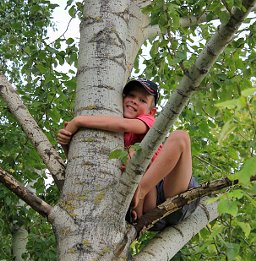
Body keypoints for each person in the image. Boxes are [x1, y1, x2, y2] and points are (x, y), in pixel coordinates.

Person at [57, 78, 199, 229]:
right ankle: (134, 206)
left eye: (142, 100)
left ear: (151, 111)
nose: (134, 101)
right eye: (130, 95)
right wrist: (67, 143)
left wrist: (79, 121)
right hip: (150, 209)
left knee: (180, 137)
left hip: (173, 192)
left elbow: (122, 124)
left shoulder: (150, 121)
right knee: (130, 155)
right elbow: (89, 164)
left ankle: (139, 192)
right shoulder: (118, 143)